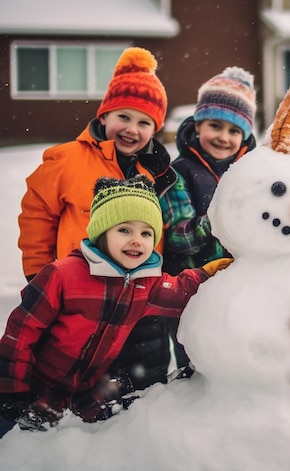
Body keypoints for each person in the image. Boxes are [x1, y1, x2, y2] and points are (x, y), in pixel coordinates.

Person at [0, 176, 232, 438]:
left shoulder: (145, 284)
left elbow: (180, 291)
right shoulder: (62, 276)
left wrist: (210, 274)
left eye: (146, 233)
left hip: (80, 396)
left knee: (69, 447)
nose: (136, 240)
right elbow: (20, 333)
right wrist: (13, 390)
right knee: (12, 448)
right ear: (102, 232)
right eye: (124, 230)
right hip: (31, 388)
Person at [16, 47, 181, 403]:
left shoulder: (151, 171)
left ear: (155, 129)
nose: (132, 129)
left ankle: (137, 411)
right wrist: (38, 273)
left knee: (138, 363)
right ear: (104, 115)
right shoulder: (69, 160)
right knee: (73, 361)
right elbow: (37, 213)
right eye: (124, 116)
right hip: (78, 288)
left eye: (144, 123)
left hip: (135, 287)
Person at [160, 66, 257, 276]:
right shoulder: (178, 173)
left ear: (245, 137)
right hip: (194, 282)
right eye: (215, 126)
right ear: (197, 126)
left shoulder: (251, 174)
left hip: (241, 278)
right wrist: (218, 218)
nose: (223, 137)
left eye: (234, 131)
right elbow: (177, 238)